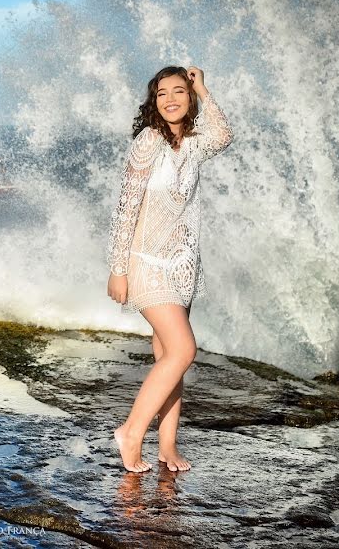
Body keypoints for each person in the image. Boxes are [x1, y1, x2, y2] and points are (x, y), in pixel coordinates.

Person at [106, 65, 234, 473]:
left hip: (183, 265)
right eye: (162, 93)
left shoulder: (193, 145)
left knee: (169, 357)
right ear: (153, 101)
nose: (171, 99)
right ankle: (130, 433)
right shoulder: (148, 141)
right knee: (183, 350)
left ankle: (168, 445)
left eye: (180, 91)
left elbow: (224, 135)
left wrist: (204, 88)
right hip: (146, 264)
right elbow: (126, 207)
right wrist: (117, 268)